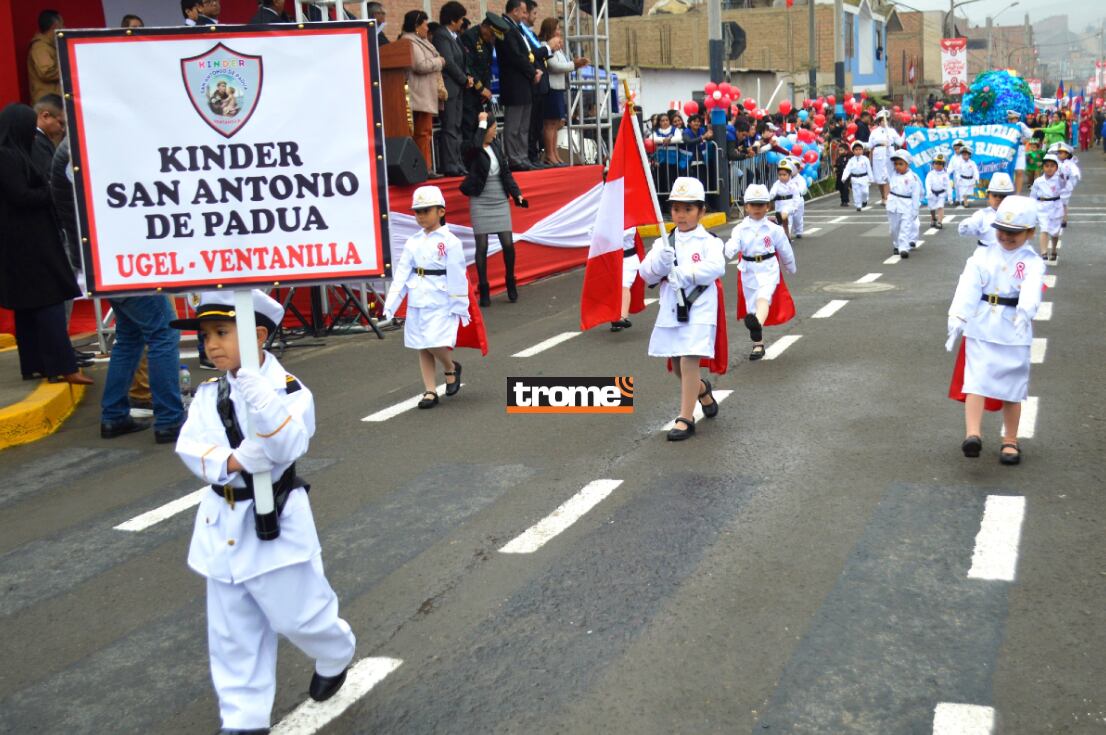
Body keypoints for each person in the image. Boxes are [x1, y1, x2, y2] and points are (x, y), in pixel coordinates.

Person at [171, 290, 356, 732]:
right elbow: (190, 445)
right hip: (222, 522)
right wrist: (231, 462)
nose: (210, 344)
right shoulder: (208, 393)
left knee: (301, 618)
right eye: (205, 335)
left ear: (256, 337)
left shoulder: (288, 390)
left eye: (221, 332)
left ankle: (335, 651)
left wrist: (259, 397)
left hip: (274, 521)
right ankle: (244, 720)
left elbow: (288, 443)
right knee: (233, 633)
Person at [946, 196, 1044, 465]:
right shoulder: (982, 254)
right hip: (982, 323)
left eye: (1014, 233)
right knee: (975, 380)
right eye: (1002, 230)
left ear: (1029, 233)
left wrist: (1026, 310)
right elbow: (968, 285)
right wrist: (958, 315)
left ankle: (1010, 440)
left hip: (1013, 326)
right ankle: (972, 435)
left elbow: (1033, 286)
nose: (1006, 237)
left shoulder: (1032, 261)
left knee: (1013, 386)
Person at [0, 104, 88, 385]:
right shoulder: (8, 157)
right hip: (31, 244)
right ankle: (63, 366)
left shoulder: (13, 154)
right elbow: (21, 196)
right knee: (50, 301)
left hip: (23, 243)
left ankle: (35, 364)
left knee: (28, 307)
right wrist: (51, 191)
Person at [638, 177, 726, 441]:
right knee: (677, 364)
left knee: (689, 358)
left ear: (701, 211)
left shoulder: (709, 240)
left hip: (700, 306)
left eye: (688, 209)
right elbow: (645, 275)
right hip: (672, 308)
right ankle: (702, 391)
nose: (681, 215)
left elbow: (717, 267)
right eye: (676, 209)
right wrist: (660, 264)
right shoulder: (664, 242)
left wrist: (685, 273)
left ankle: (685, 418)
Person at [383, 186, 472, 408]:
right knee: (421, 343)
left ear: (441, 211)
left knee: (433, 341)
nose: (421, 216)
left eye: (426, 210)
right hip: (418, 295)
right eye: (417, 211)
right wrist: (391, 303)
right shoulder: (412, 241)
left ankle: (450, 367)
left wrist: (460, 305)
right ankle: (430, 390)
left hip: (441, 296)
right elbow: (403, 272)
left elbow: (457, 274)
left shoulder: (450, 241)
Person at [724, 183, 796, 362]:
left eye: (761, 205)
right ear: (746, 207)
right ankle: (758, 343)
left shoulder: (774, 229)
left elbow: (785, 249)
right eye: (753, 205)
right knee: (751, 308)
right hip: (748, 270)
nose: (757, 209)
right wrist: (728, 250)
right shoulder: (739, 229)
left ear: (768, 206)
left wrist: (790, 266)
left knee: (764, 297)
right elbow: (732, 244)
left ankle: (757, 326)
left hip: (768, 267)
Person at [461, 111, 527, 305]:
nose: (495, 133)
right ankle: (484, 287)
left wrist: (517, 193)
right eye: (493, 128)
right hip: (480, 199)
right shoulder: (470, 147)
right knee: (481, 246)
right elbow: (474, 146)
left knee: (508, 243)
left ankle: (510, 280)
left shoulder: (496, 146)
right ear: (484, 129)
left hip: (499, 197)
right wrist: (481, 124)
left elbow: (506, 173)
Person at [400, 10, 446, 176]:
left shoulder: (421, 41)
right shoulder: (409, 41)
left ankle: (426, 167)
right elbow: (420, 65)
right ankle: (422, 168)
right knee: (421, 133)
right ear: (416, 26)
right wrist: (439, 61)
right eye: (425, 24)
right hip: (417, 93)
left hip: (425, 93)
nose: (428, 28)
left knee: (425, 133)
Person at [498, 0, 542, 171]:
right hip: (514, 84)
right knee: (514, 125)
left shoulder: (516, 28)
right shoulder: (505, 29)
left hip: (524, 83)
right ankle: (514, 158)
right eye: (523, 12)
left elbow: (528, 54)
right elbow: (516, 57)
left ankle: (522, 156)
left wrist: (534, 71)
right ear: (515, 11)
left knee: (524, 125)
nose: (525, 16)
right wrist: (532, 72)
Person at [538, 18, 587, 167]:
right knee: (550, 123)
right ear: (550, 30)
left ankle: (555, 153)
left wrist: (575, 64)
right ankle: (549, 154)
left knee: (557, 123)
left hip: (559, 88)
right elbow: (554, 66)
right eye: (557, 28)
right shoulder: (544, 46)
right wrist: (574, 64)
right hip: (551, 88)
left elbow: (564, 64)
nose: (559, 32)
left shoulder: (558, 48)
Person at [432, 2, 470, 177]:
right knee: (449, 126)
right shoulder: (441, 36)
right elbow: (449, 62)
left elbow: (461, 60)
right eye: (461, 18)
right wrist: (463, 79)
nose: (462, 22)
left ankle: (457, 162)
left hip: (458, 88)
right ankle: (450, 164)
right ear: (453, 19)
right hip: (450, 87)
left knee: (456, 126)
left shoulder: (453, 37)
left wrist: (467, 77)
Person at [460, 13, 508, 149]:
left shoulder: (487, 42)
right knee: (469, 126)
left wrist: (487, 90)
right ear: (485, 27)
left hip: (481, 95)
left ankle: (481, 157)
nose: (492, 39)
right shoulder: (469, 37)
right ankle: (468, 159)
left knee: (481, 125)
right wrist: (481, 88)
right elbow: (469, 67)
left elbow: (486, 68)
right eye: (492, 34)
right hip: (470, 90)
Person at [957, 172, 1013, 249]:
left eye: (1002, 196)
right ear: (988, 196)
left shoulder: (1017, 214)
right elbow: (966, 229)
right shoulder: (982, 214)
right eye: (994, 195)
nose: (998, 199)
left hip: (1009, 253)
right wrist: (968, 225)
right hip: (986, 254)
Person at [886, 149, 921, 258]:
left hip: (906, 204)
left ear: (907, 164)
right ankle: (896, 244)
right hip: (893, 203)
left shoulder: (913, 177)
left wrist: (915, 210)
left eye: (901, 164)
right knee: (893, 228)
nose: (897, 166)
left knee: (905, 227)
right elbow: (887, 163)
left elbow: (916, 195)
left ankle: (904, 248)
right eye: (896, 164)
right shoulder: (892, 173)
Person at [1030, 152, 1063, 263]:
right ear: (1043, 167)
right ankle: (1044, 253)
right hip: (1042, 207)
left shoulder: (1059, 180)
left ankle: (1053, 250)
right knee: (1044, 229)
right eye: (1046, 166)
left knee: (1054, 232)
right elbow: (1033, 196)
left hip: (1056, 207)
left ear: (1057, 168)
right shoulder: (1038, 181)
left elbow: (1068, 184)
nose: (1049, 168)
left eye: (1052, 166)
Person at [27, 10, 63, 104]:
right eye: (62, 25)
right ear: (54, 27)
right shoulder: (40, 47)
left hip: (52, 101)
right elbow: (47, 72)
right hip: (47, 104)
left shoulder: (49, 45)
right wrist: (70, 69)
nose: (64, 28)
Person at [868, 109, 901, 207]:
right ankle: (883, 196)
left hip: (889, 153)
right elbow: (870, 145)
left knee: (887, 177)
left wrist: (906, 133)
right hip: (878, 154)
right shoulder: (874, 132)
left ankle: (887, 197)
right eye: (882, 120)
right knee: (879, 179)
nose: (884, 122)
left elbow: (899, 142)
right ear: (879, 121)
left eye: (886, 120)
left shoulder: (892, 131)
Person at [611, 227, 642, 332]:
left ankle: (622, 317)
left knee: (624, 286)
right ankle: (615, 317)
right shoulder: (605, 218)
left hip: (628, 260)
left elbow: (620, 236)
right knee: (612, 289)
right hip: (611, 260)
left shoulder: (630, 221)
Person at [31, 94, 64, 176]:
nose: (62, 129)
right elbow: (51, 176)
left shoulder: (39, 140)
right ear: (45, 116)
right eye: (61, 123)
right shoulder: (37, 142)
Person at [768, 159, 801, 241]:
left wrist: (795, 207)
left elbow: (796, 196)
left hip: (789, 205)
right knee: (781, 224)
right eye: (780, 175)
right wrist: (768, 198)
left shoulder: (793, 185)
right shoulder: (777, 184)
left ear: (789, 175)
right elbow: (772, 193)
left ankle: (786, 239)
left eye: (784, 175)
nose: (782, 177)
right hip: (779, 205)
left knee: (787, 219)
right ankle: (786, 236)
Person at [841, 140, 872, 211]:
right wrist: (844, 177)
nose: (858, 151)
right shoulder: (851, 160)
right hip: (855, 178)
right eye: (856, 150)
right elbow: (847, 169)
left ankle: (864, 200)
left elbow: (869, 169)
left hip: (864, 178)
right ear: (853, 151)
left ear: (862, 150)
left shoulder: (865, 159)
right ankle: (858, 205)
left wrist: (871, 178)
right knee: (856, 192)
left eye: (860, 149)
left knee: (865, 192)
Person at [1055, 141, 1080, 228]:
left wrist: (1070, 183)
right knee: (1057, 203)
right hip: (1057, 185)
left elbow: (1075, 174)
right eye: (1058, 153)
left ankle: (1064, 219)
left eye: (1061, 153)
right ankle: (1060, 218)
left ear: (1066, 154)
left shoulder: (1070, 164)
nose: (1059, 155)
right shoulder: (1056, 162)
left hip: (1066, 186)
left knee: (1063, 203)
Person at [1006, 110, 1033, 193]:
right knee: (1008, 171)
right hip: (1008, 150)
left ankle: (1018, 193)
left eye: (1012, 119)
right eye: (1009, 119)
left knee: (1019, 171)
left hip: (1019, 149)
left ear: (1017, 119)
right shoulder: (1006, 126)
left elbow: (1030, 134)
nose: (1010, 121)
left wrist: (1025, 140)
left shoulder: (1020, 125)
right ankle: (1008, 192)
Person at [925, 154, 950, 229]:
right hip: (932, 193)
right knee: (931, 208)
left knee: (940, 207)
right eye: (936, 163)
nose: (938, 165)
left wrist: (950, 196)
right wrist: (929, 191)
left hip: (941, 194)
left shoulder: (945, 175)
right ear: (933, 164)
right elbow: (928, 183)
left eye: (940, 164)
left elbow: (948, 185)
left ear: (943, 165)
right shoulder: (930, 174)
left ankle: (939, 222)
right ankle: (933, 218)